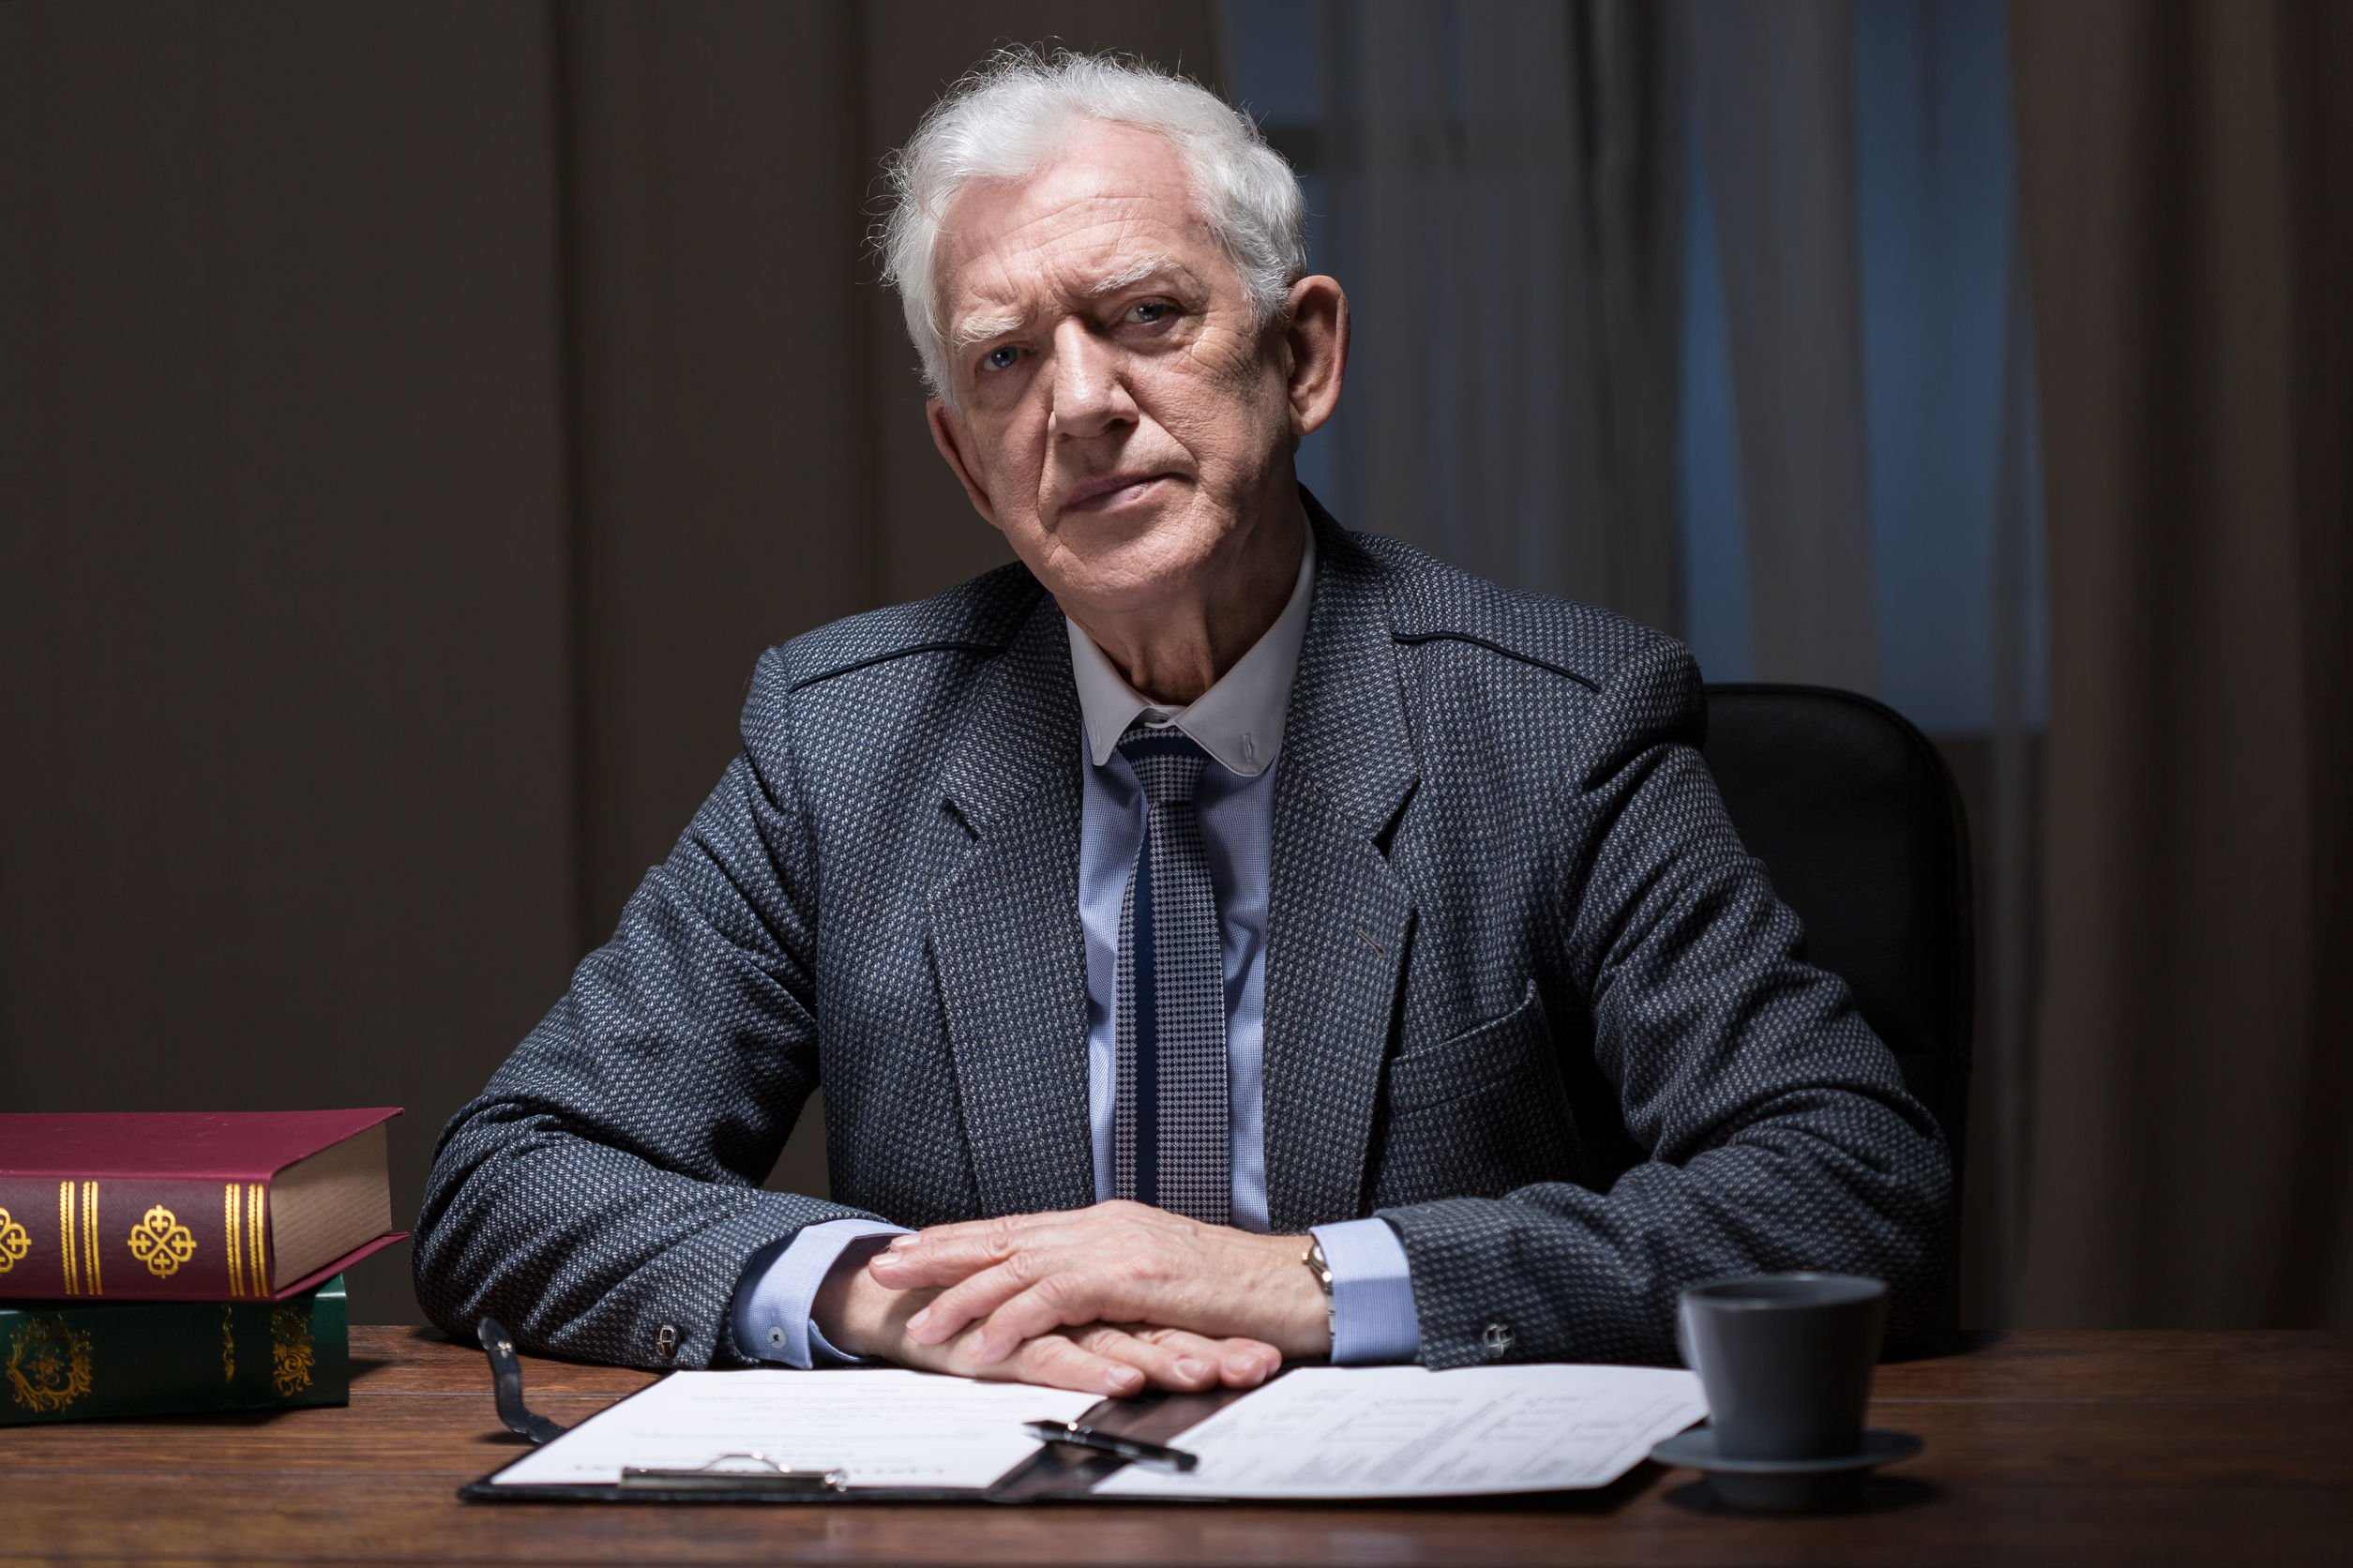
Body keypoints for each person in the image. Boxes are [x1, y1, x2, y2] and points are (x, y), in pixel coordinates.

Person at [413, 49, 1950, 1396]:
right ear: (965, 460)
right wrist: (894, 1300)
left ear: (1302, 355)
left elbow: (1844, 1189)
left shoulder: (1553, 726)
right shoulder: (844, 743)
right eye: (1005, 358)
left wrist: (1292, 1282)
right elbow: (512, 1183)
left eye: (1147, 315)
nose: (1080, 403)